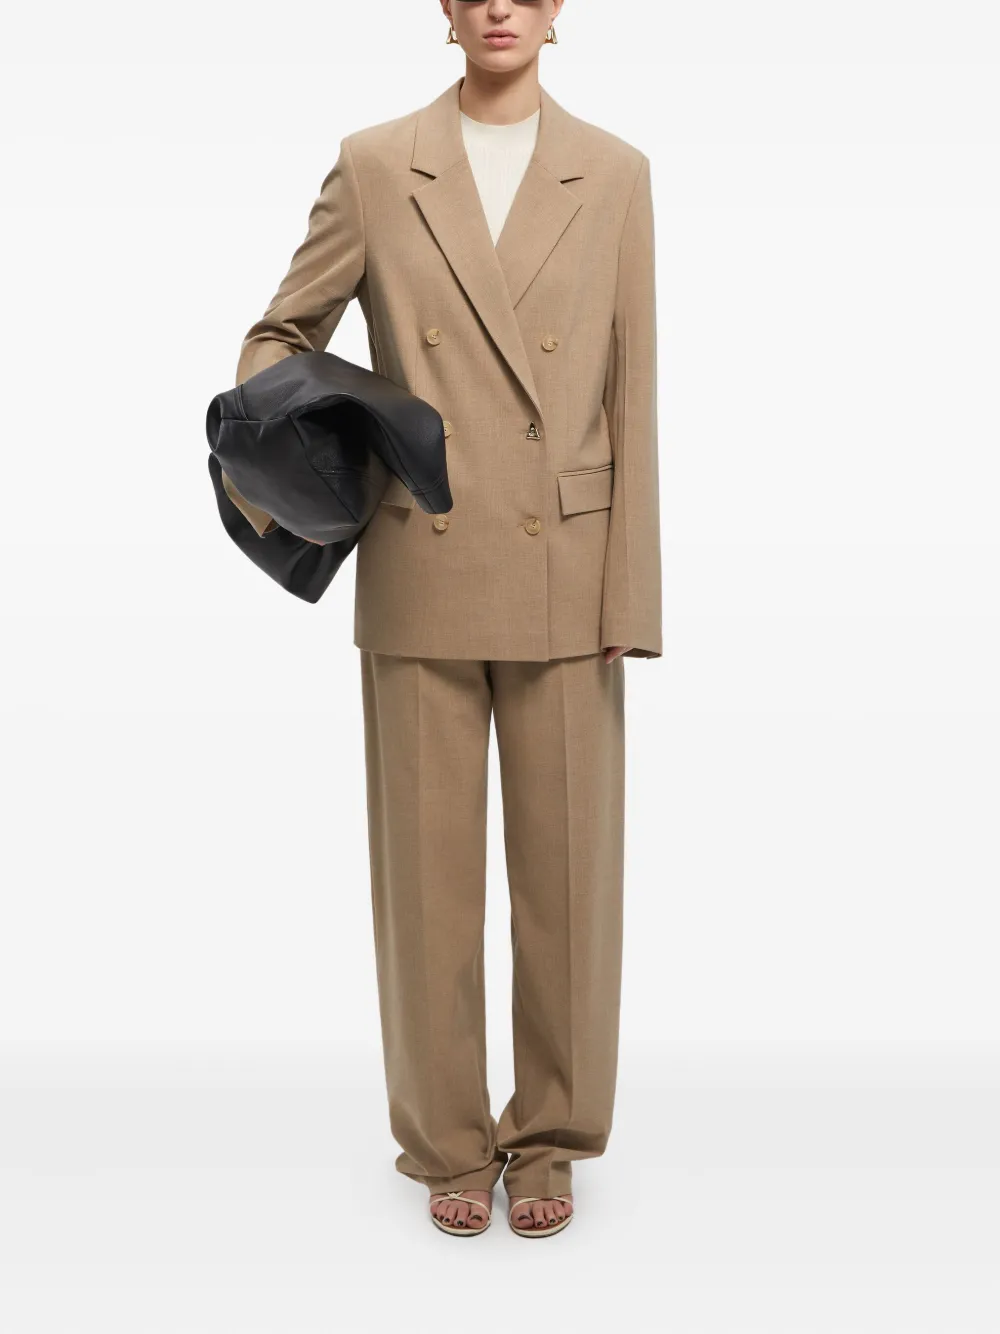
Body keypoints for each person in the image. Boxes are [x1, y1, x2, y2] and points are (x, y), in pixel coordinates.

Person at [221, 0, 661, 1237]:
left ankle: (553, 1138)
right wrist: (303, 431)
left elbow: (634, 387)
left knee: (568, 884)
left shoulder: (615, 172)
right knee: (427, 887)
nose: (501, 6)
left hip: (565, 563)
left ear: (557, 11)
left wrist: (633, 589)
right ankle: (447, 1142)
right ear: (448, 10)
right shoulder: (376, 163)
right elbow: (279, 331)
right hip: (423, 553)